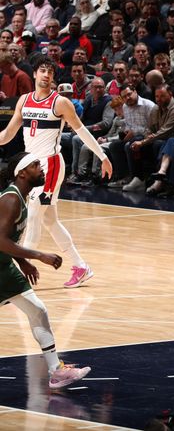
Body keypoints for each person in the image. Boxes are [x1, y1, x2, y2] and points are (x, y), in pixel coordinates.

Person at [0, 58, 112, 288]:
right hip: (30, 164)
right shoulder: (24, 101)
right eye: (42, 70)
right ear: (35, 74)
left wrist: (103, 157)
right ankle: (80, 266)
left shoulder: (59, 103)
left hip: (49, 166)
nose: (46, 75)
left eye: (50, 72)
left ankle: (21, 278)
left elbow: (82, 132)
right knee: (50, 220)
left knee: (32, 216)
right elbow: (7, 134)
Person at [0, 152, 92, 388]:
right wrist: (39, 255)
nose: (42, 169)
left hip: (4, 269)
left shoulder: (21, 197)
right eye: (35, 166)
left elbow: (7, 239)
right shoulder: (10, 200)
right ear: (21, 173)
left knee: (38, 311)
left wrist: (22, 262)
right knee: (37, 311)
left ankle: (56, 371)